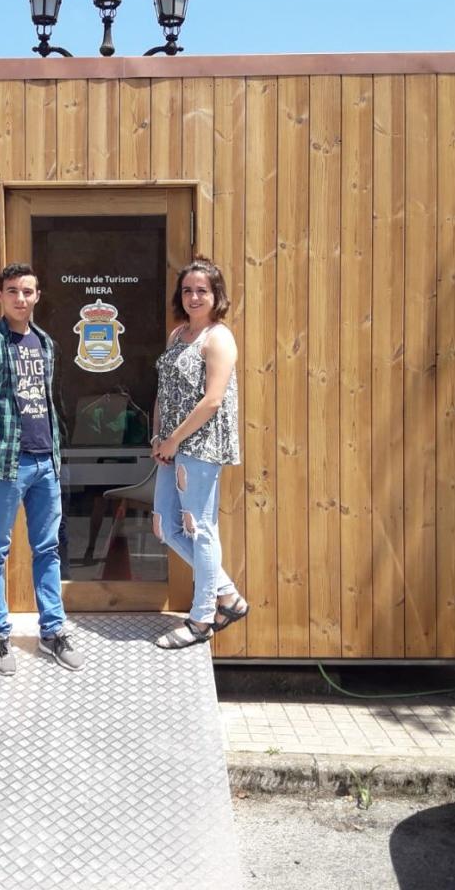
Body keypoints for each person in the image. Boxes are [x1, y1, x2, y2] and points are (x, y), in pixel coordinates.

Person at [0, 263, 85, 674]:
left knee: (48, 549)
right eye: (12, 290)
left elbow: (48, 402)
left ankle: (52, 631)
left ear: (37, 296)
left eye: (27, 291)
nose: (20, 298)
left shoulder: (46, 343)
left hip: (45, 461)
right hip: (5, 463)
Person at [151, 258, 249, 649]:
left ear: (216, 296)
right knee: (166, 526)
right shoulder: (177, 336)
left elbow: (212, 400)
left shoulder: (218, 338)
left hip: (200, 449)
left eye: (202, 290)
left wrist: (175, 440)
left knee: (201, 530)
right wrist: (158, 439)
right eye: (188, 290)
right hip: (169, 448)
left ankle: (202, 619)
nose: (193, 297)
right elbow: (163, 390)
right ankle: (229, 595)